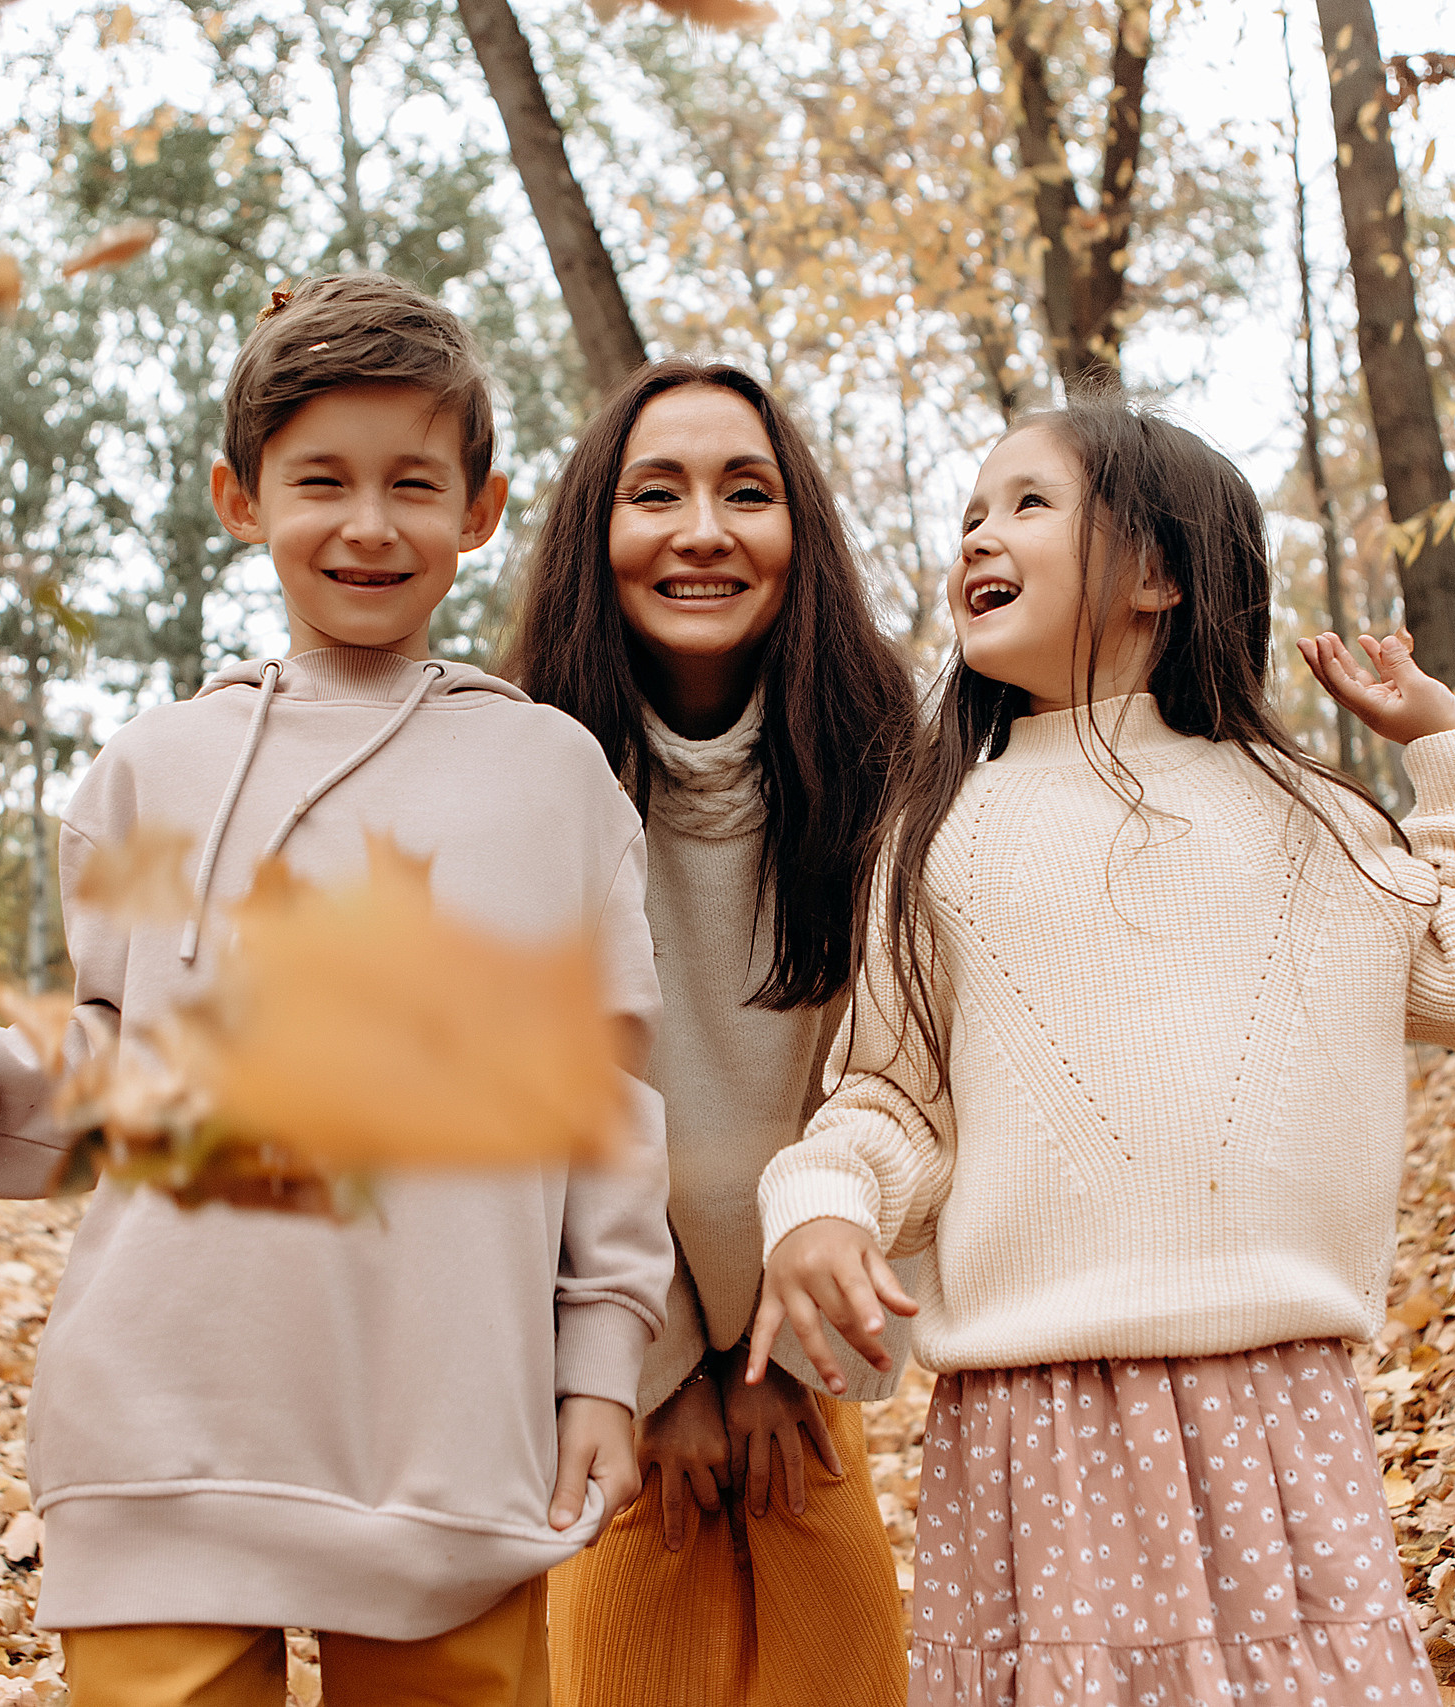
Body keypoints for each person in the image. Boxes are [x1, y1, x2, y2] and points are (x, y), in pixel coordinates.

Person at [0, 272, 673, 1707]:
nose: (367, 523)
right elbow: (101, 1079)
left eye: (414, 482)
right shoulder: (146, 770)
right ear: (240, 497)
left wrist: (600, 1363)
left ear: (480, 511)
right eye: (320, 481)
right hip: (160, 1427)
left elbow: (603, 1100)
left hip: (447, 1441)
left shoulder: (556, 778)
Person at [749, 396, 1455, 1706]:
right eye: (969, 514)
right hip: (1029, 1418)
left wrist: (1446, 746)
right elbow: (887, 1095)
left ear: (1160, 574)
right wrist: (822, 1207)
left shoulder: (1304, 813)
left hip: (1271, 1402)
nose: (978, 536)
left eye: (1027, 504)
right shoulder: (938, 832)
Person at [505, 359, 915, 1707]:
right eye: (656, 493)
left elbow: (893, 1065)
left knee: (844, 1657)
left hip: (811, 1329)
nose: (701, 530)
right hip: (614, 1344)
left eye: (747, 491)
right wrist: (659, 1363)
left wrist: (787, 1361)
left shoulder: (881, 758)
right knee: (627, 1645)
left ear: (797, 532)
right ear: (595, 536)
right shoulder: (525, 764)